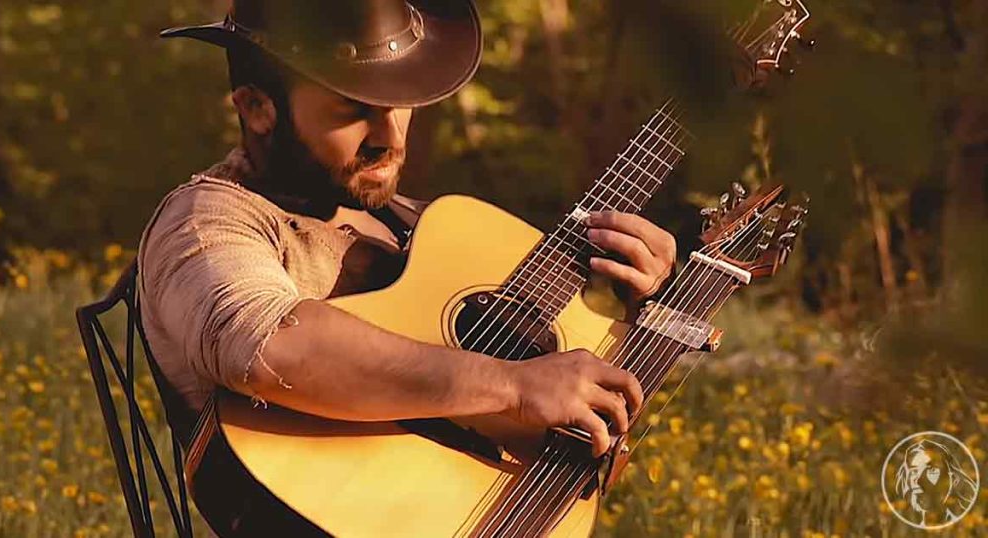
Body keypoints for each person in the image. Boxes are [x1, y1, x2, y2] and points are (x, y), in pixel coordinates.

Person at [138, 0, 676, 527]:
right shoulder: (206, 219)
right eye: (353, 109)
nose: (390, 138)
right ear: (257, 107)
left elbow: (565, 392)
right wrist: (513, 385)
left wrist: (641, 310)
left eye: (399, 103)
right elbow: (267, 345)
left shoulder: (421, 221)